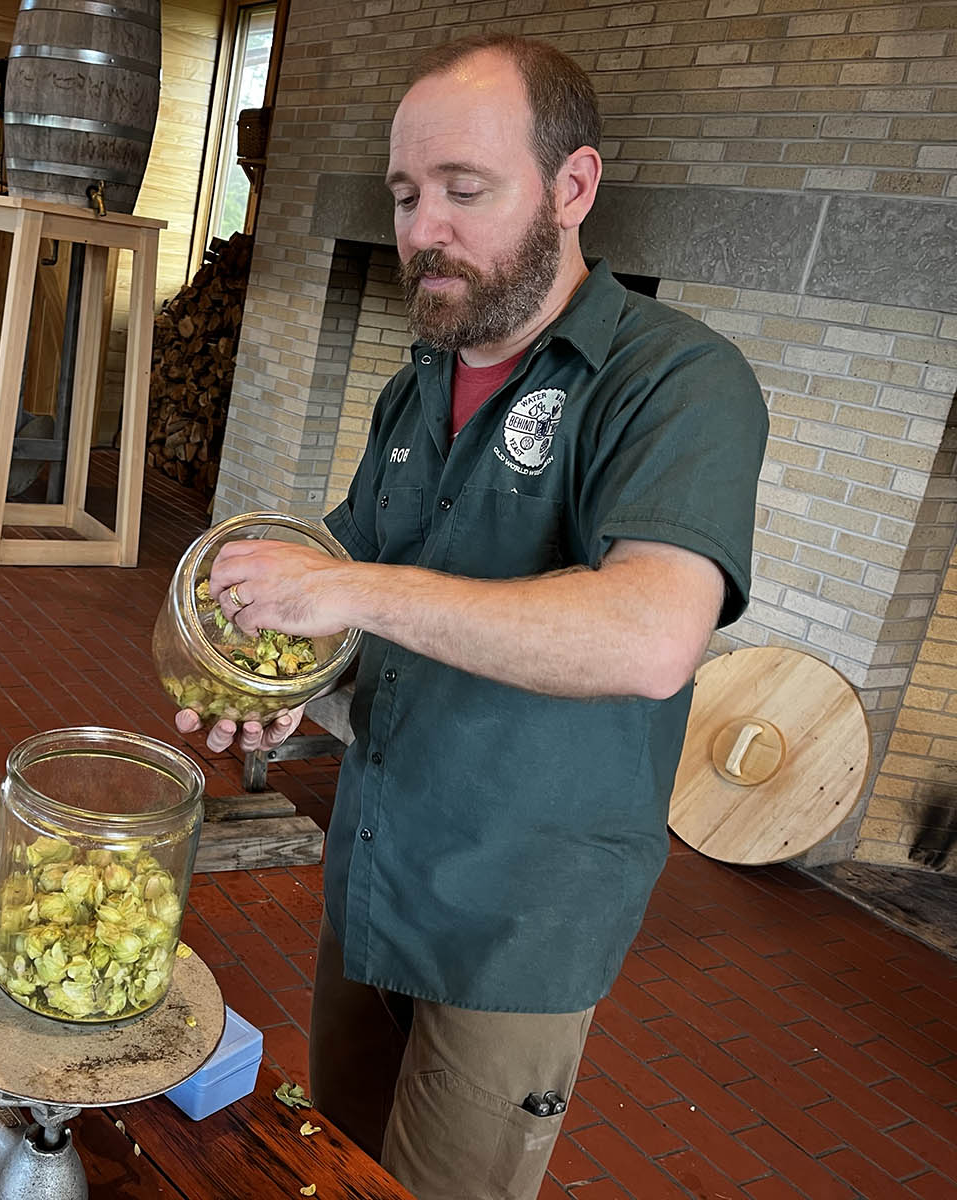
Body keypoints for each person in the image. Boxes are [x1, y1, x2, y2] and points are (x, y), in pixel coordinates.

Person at [175, 33, 767, 1200]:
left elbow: (649, 637)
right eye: (404, 194)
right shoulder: (421, 382)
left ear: (572, 186)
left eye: (463, 189)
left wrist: (342, 590)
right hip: (379, 870)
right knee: (339, 1167)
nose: (421, 227)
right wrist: (274, 685)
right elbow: (339, 576)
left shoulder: (676, 381)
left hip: (515, 922)